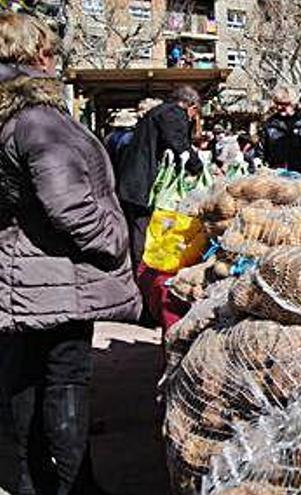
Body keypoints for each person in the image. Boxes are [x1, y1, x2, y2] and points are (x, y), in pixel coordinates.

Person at [0, 13, 141, 494]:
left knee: (27, 379)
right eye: (49, 52)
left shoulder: (15, 115)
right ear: (33, 55)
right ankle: (71, 485)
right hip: (55, 277)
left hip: (31, 273)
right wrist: (114, 237)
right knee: (64, 378)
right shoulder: (36, 119)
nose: (54, 61)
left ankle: (30, 479)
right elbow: (68, 203)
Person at [117, 85, 203, 268]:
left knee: (136, 229)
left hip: (133, 180)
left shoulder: (159, 112)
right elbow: (178, 143)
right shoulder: (173, 114)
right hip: (142, 183)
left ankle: (136, 268)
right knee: (144, 229)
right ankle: (141, 272)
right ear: (192, 106)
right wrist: (197, 167)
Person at [262, 87, 301, 170]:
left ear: (292, 103)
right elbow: (262, 149)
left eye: (283, 104)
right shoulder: (270, 123)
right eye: (277, 103)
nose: (279, 107)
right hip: (277, 170)